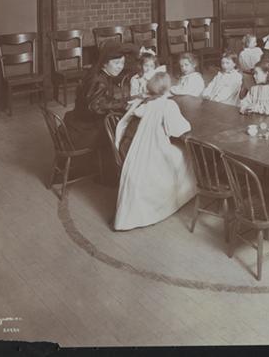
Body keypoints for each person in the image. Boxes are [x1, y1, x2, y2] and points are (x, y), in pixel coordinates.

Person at [114, 72, 196, 231]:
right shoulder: (168, 105)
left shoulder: (147, 103)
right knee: (184, 153)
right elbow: (179, 129)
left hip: (136, 145)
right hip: (154, 148)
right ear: (168, 88)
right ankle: (180, 196)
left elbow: (136, 113)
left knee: (178, 152)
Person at [63, 40, 133, 182]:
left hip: (76, 121)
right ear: (105, 63)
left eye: (122, 63)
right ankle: (113, 174)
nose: (120, 67)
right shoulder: (99, 81)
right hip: (82, 130)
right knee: (119, 130)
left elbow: (100, 100)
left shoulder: (98, 73)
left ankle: (109, 170)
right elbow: (95, 106)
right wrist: (122, 104)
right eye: (116, 63)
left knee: (118, 121)